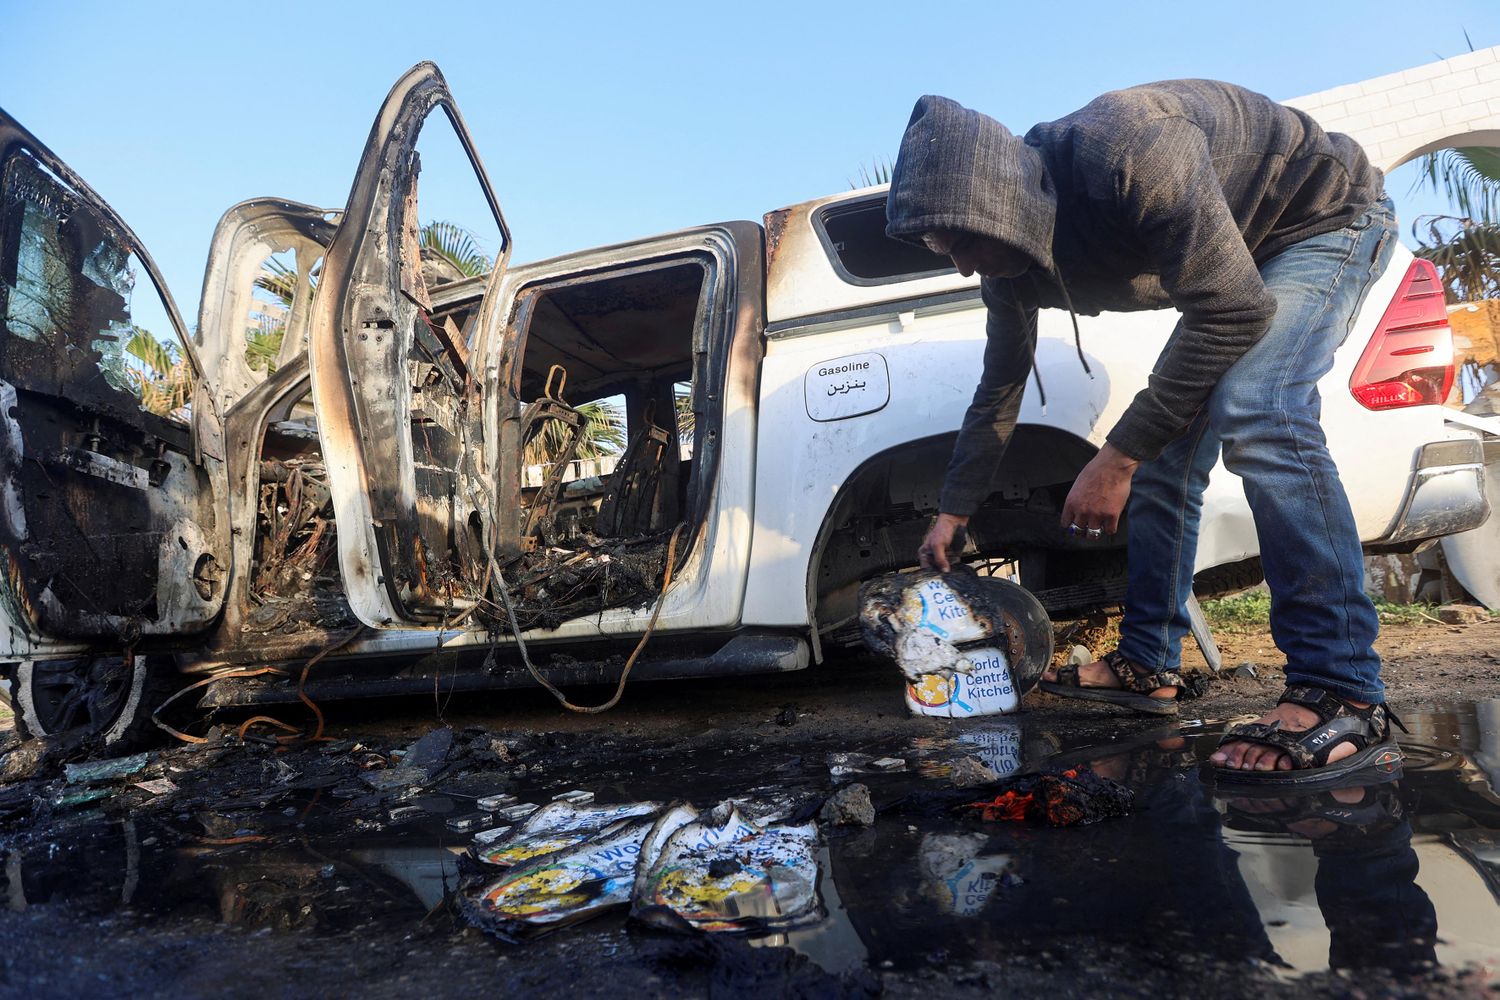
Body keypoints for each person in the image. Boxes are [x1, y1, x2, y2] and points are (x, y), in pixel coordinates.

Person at [885, 80, 1403, 782]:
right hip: (1235, 267)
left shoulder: (1129, 146)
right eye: (945, 250)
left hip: (1321, 223)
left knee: (1260, 409)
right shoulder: (1007, 264)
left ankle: (1340, 688)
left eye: (967, 241)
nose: (966, 265)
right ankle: (1146, 664)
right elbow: (999, 387)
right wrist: (953, 511)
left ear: (1004, 201)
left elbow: (1232, 311)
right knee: (1164, 463)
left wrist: (1117, 454)